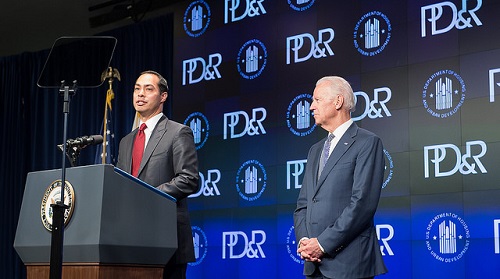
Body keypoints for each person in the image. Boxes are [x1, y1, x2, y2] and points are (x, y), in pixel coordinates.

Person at [293, 76, 387, 279]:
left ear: (338, 101)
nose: (311, 107)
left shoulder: (367, 142)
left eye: (317, 100)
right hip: (314, 265)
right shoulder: (315, 150)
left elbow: (362, 204)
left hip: (349, 265)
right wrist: (305, 243)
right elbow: (303, 204)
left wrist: (323, 244)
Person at [116, 70, 199, 279]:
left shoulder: (178, 132)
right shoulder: (126, 141)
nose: (140, 94)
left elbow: (189, 179)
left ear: (163, 96)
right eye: (137, 89)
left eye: (148, 89)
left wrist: (147, 195)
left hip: (165, 238)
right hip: (129, 239)